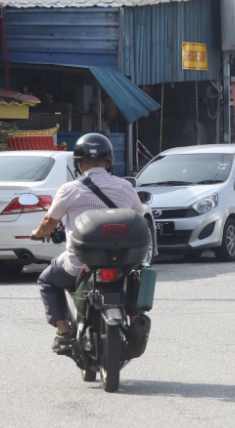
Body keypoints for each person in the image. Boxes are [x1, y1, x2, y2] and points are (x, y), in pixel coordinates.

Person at [32, 133, 145, 354]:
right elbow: (139, 218)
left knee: (47, 281)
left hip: (79, 263)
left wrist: (39, 232)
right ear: (108, 162)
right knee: (133, 281)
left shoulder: (70, 189)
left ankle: (64, 334)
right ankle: (135, 321)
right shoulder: (124, 187)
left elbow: (49, 221)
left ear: (79, 163)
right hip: (123, 261)